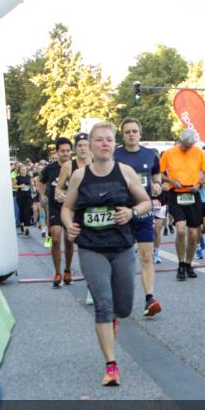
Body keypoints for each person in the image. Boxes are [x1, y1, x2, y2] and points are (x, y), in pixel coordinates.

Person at [62, 121, 151, 387]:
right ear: (89, 145)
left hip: (122, 247)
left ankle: (112, 321)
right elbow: (67, 207)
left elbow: (146, 202)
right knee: (103, 304)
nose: (104, 143)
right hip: (91, 248)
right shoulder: (80, 176)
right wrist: (68, 225)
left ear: (114, 144)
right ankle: (111, 365)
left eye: (109, 139)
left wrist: (132, 212)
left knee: (122, 308)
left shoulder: (125, 172)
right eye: (99, 139)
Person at [114, 118, 163, 316]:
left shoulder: (150, 154)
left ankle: (149, 298)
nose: (131, 135)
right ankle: (113, 294)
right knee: (121, 260)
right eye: (127, 132)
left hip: (144, 212)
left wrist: (157, 185)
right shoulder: (115, 155)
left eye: (134, 131)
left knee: (146, 256)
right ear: (122, 135)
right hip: (121, 213)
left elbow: (156, 175)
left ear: (140, 134)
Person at [160, 128, 205, 280]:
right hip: (176, 194)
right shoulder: (169, 153)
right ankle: (181, 264)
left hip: (193, 194)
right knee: (181, 230)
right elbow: (159, 173)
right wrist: (171, 181)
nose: (186, 148)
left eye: (189, 146)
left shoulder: (198, 152)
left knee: (194, 234)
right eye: (184, 145)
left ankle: (188, 264)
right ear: (180, 141)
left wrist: (200, 183)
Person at [37, 137, 74, 287]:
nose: (65, 153)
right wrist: (42, 195)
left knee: (69, 240)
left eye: (67, 151)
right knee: (56, 237)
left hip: (71, 208)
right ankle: (58, 272)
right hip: (55, 207)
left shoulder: (76, 167)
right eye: (62, 151)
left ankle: (67, 270)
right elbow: (39, 181)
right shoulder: (50, 168)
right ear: (57, 152)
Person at [14, 163, 34, 235]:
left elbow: (31, 185)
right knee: (22, 211)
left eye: (25, 170)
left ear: (26, 170)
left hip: (28, 196)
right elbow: (13, 186)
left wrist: (32, 187)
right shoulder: (17, 177)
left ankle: (27, 228)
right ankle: (22, 224)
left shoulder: (29, 177)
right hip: (20, 196)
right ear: (20, 170)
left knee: (27, 211)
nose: (23, 171)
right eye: (22, 170)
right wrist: (20, 186)